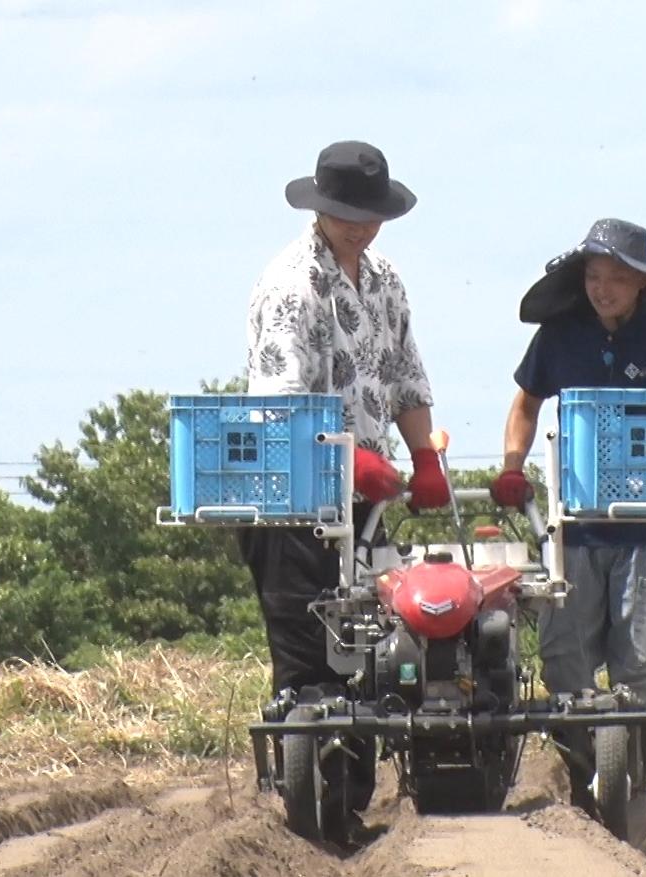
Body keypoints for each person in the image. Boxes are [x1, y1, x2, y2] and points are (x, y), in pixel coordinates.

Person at [488, 218, 646, 793]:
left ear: (642, 284)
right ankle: (582, 781)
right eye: (594, 277)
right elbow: (526, 404)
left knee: (643, 670)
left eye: (616, 278)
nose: (602, 289)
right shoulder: (560, 336)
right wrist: (511, 465)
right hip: (576, 530)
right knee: (565, 664)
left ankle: (634, 790)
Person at [239, 140, 450, 823]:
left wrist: (423, 461)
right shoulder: (293, 284)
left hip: (364, 502)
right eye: (346, 214)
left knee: (368, 646)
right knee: (311, 659)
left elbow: (406, 376)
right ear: (322, 209)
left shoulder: (385, 279)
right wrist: (347, 459)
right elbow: (280, 406)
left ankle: (353, 798)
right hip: (293, 500)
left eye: (369, 213)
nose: (360, 225)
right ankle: (315, 806)